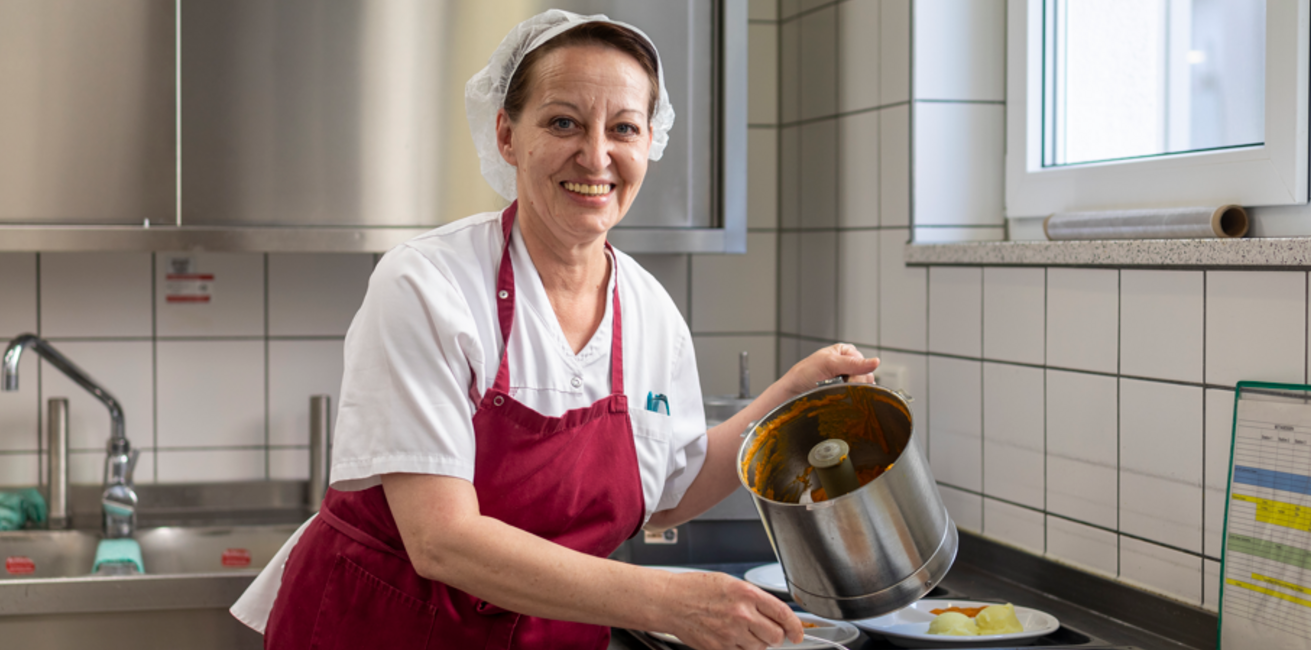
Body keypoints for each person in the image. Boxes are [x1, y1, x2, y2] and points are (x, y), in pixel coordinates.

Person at [231, 10, 879, 650]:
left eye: (623, 128)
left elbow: (669, 488)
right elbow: (440, 540)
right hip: (382, 630)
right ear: (507, 136)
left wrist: (790, 399)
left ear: (648, 144)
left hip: (546, 635)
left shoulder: (650, 314)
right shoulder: (429, 283)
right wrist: (666, 600)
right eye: (564, 122)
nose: (595, 155)